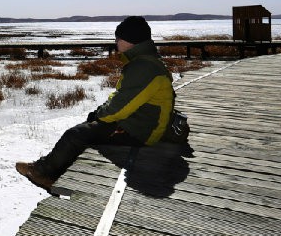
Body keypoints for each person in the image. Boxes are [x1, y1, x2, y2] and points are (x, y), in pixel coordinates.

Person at [16, 16, 175, 192]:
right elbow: (123, 98)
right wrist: (100, 113)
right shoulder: (146, 62)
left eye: (118, 38)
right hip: (140, 122)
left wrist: (99, 115)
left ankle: (43, 173)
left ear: (129, 41)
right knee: (88, 128)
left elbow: (119, 108)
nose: (116, 42)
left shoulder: (143, 68)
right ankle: (51, 169)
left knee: (75, 135)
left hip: (140, 132)